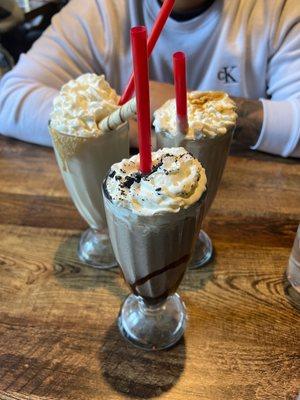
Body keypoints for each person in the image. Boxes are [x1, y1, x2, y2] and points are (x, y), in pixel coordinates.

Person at [0, 0, 299, 157]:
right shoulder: (97, 9)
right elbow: (9, 98)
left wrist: (183, 105)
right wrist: (127, 130)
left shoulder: (279, 9)